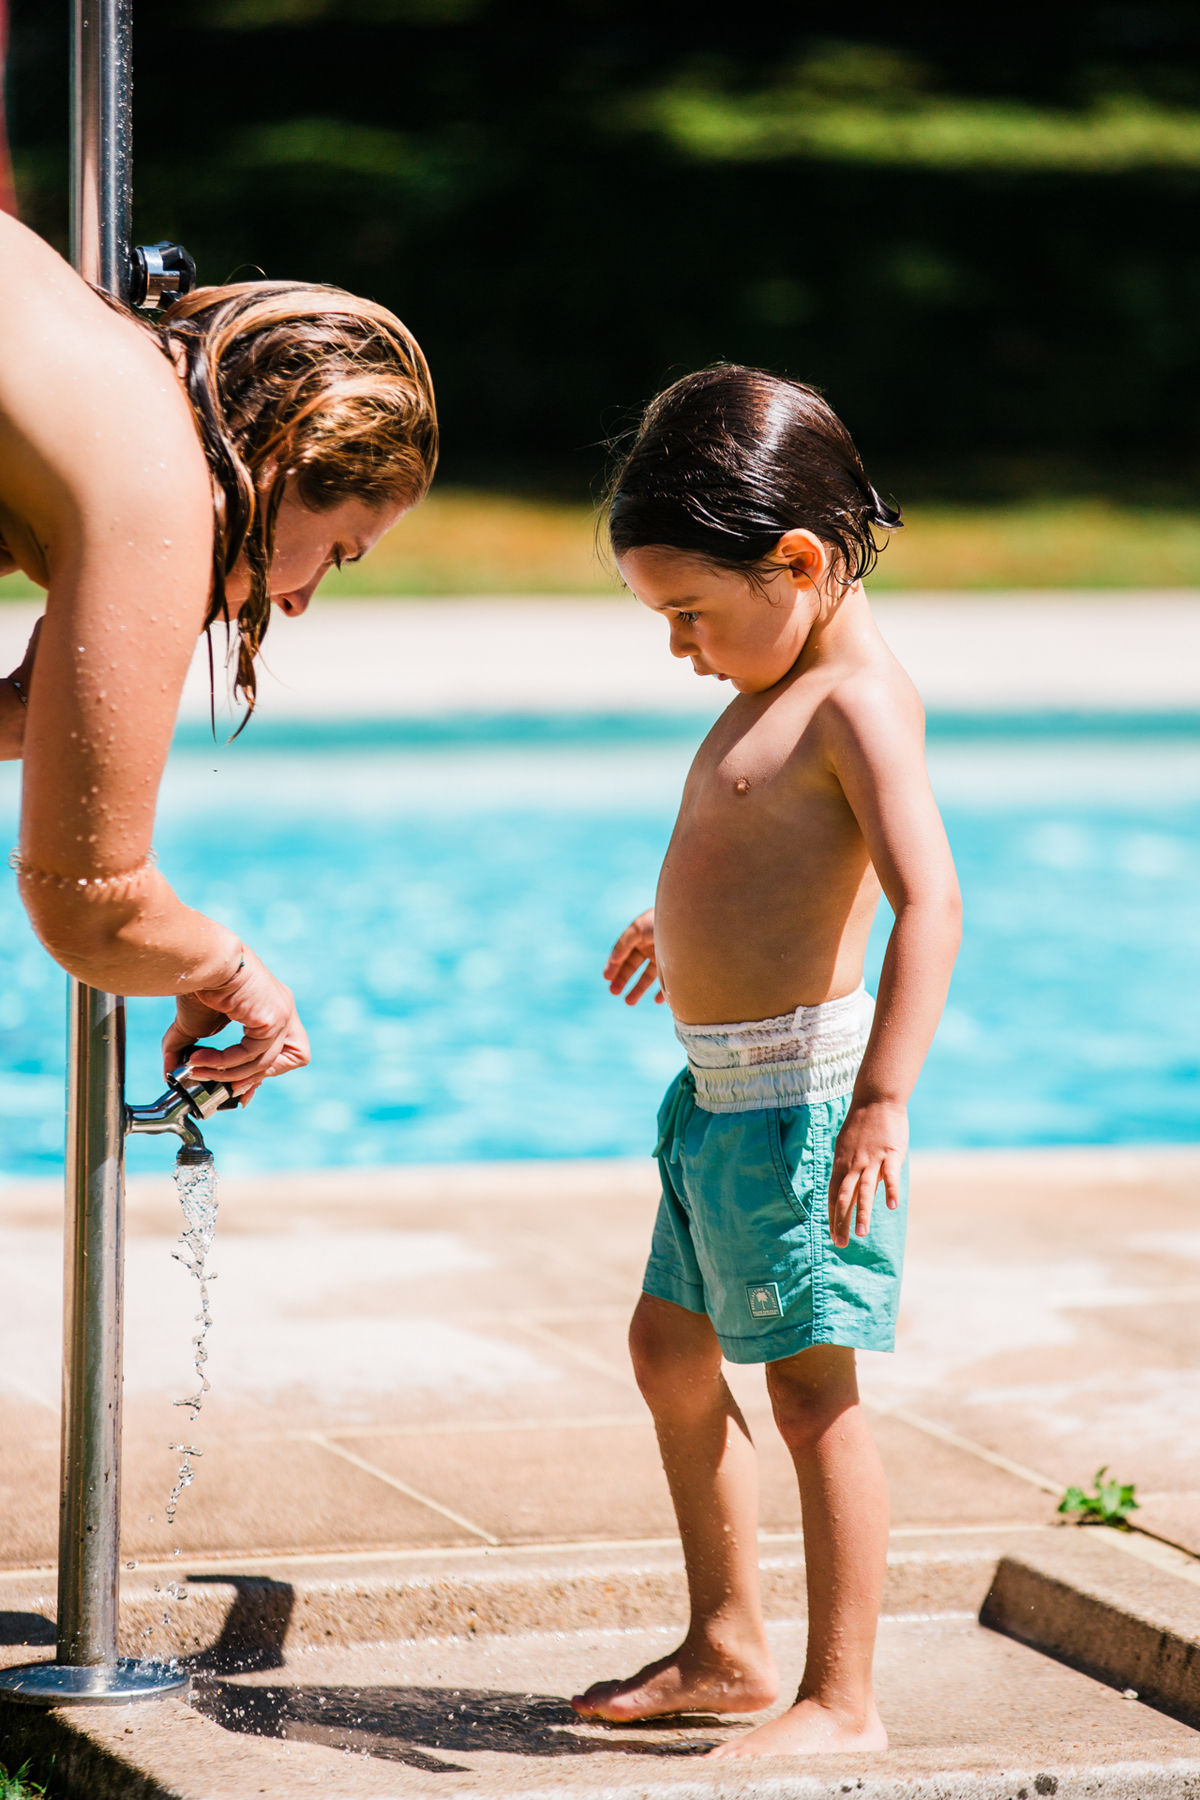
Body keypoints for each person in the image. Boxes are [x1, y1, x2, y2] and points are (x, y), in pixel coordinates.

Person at [572, 366, 961, 1758]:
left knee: (811, 1394)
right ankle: (727, 1644)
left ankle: (842, 1700)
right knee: (666, 1354)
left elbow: (931, 899)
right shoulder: (776, 666)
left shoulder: (857, 700)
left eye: (690, 612)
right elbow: (764, 851)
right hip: (714, 1103)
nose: (681, 646)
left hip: (802, 1110)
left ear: (796, 562)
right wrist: (673, 921)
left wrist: (884, 1104)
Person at [0, 213, 437, 1096]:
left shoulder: (85, 371)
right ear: (285, 463)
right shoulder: (160, 476)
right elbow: (89, 904)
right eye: (340, 550)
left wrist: (34, 706)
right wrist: (231, 974)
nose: (300, 600)